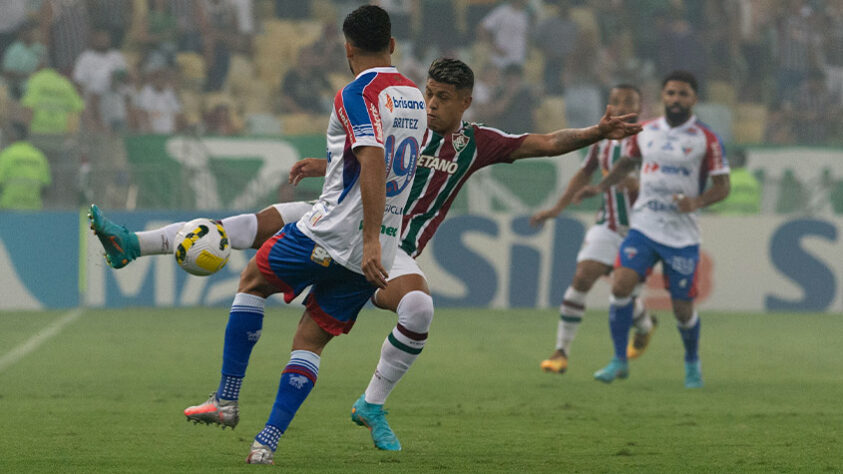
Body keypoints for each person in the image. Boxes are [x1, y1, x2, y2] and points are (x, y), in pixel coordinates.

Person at [88, 58, 642, 451]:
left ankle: (372, 402)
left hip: (391, 245)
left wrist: (596, 131)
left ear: (465, 102)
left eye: (443, 98)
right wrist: (318, 163)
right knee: (247, 226)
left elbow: (543, 142)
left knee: (419, 310)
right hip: (348, 221)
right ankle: (132, 245)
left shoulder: (477, 144)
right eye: (428, 94)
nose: (430, 104)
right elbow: (362, 151)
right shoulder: (408, 122)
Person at [193, 5, 425, 464]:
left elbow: (374, 159)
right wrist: (373, 239)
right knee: (310, 342)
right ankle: (265, 445)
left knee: (252, 282)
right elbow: (381, 163)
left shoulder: (355, 93)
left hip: (331, 234)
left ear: (348, 49)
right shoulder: (414, 96)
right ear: (393, 46)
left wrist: (370, 234)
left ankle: (225, 400)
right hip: (369, 255)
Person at [574, 70, 730, 389]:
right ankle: (619, 360)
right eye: (671, 93)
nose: (676, 99)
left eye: (683, 94)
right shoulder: (646, 131)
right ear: (663, 96)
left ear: (694, 99)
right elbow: (626, 164)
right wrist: (600, 187)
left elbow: (723, 186)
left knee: (682, 309)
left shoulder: (706, 138)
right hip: (643, 225)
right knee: (620, 287)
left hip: (681, 234)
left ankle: (691, 363)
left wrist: (696, 202)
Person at [530, 85, 655, 375]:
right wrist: (556, 208)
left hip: (645, 230)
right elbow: (584, 173)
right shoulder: (604, 140)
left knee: (623, 294)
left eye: (629, 102)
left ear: (641, 106)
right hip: (608, 224)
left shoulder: (653, 140)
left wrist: (642, 187)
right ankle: (561, 352)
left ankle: (646, 324)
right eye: (616, 101)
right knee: (583, 277)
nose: (622, 106)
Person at [0, 122, 51, 210]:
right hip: (33, 208)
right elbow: (45, 186)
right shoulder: (39, 156)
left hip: (8, 207)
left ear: (12, 136)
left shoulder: (6, 155)